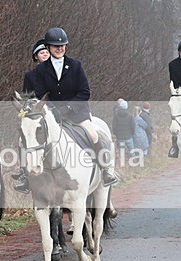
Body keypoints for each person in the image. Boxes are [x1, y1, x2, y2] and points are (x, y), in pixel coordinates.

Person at [15, 27, 119, 191]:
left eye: (63, 45)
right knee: (27, 140)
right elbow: (39, 96)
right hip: (51, 116)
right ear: (48, 47)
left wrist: (69, 107)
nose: (60, 48)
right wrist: (51, 111)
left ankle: (106, 170)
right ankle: (26, 175)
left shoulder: (75, 65)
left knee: (93, 135)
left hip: (77, 114)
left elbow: (84, 92)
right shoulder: (40, 71)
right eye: (56, 46)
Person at [12, 39, 51, 192]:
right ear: (36, 57)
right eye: (42, 53)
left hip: (56, 111)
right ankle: (24, 173)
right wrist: (26, 109)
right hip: (37, 112)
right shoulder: (30, 75)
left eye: (47, 52)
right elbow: (27, 96)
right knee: (22, 139)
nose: (45, 55)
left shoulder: (58, 72)